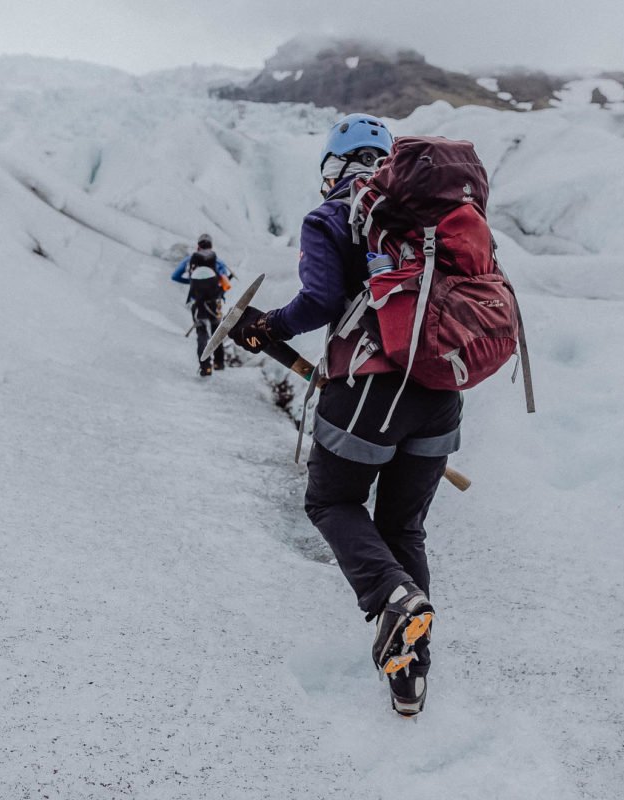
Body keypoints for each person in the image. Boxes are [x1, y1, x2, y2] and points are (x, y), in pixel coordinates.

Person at [228, 114, 462, 716]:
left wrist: (265, 327)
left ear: (333, 166)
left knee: (331, 503)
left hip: (367, 392)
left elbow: (321, 301)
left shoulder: (333, 214)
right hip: (440, 394)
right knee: (403, 529)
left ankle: (392, 599)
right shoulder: (431, 216)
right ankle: (410, 676)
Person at [172, 234, 234, 376]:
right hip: (214, 302)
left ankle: (205, 367)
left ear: (198, 245)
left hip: (197, 302)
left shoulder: (191, 259)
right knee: (216, 332)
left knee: (201, 333)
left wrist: (193, 283)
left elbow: (175, 276)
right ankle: (219, 363)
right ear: (211, 246)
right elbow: (225, 283)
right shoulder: (217, 261)